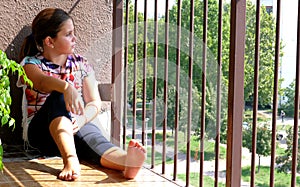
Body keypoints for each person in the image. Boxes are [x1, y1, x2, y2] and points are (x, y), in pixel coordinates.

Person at [18, 8, 146, 181]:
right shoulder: (31, 64)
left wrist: (80, 120)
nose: (74, 38)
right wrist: (65, 87)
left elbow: (94, 102)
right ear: (50, 41)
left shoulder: (81, 64)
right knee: (58, 96)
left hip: (75, 126)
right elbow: (41, 82)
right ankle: (70, 160)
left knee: (93, 138)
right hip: (42, 134)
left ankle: (126, 161)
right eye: (69, 34)